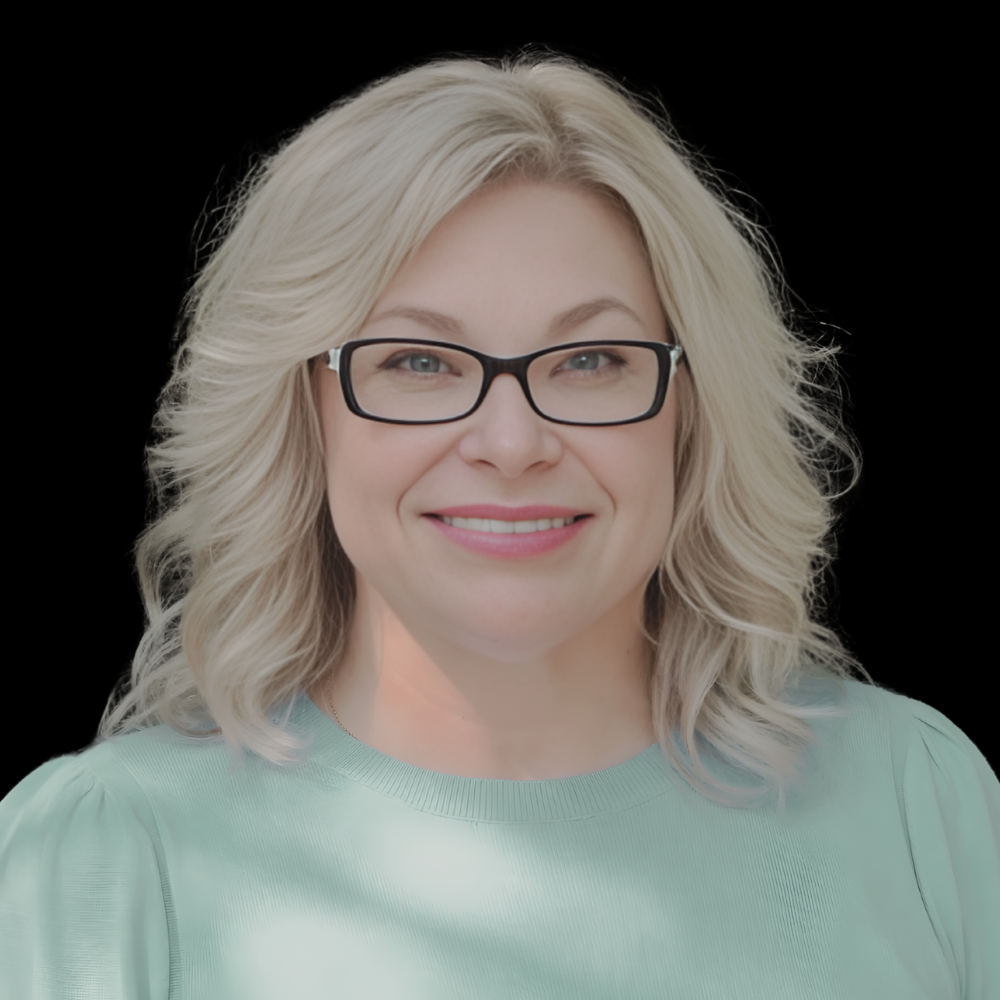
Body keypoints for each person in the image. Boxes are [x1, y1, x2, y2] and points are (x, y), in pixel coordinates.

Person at [2, 52, 997, 999]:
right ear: (304, 413)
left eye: (592, 360)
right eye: (419, 364)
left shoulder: (921, 806)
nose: (512, 442)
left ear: (690, 410)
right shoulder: (100, 856)